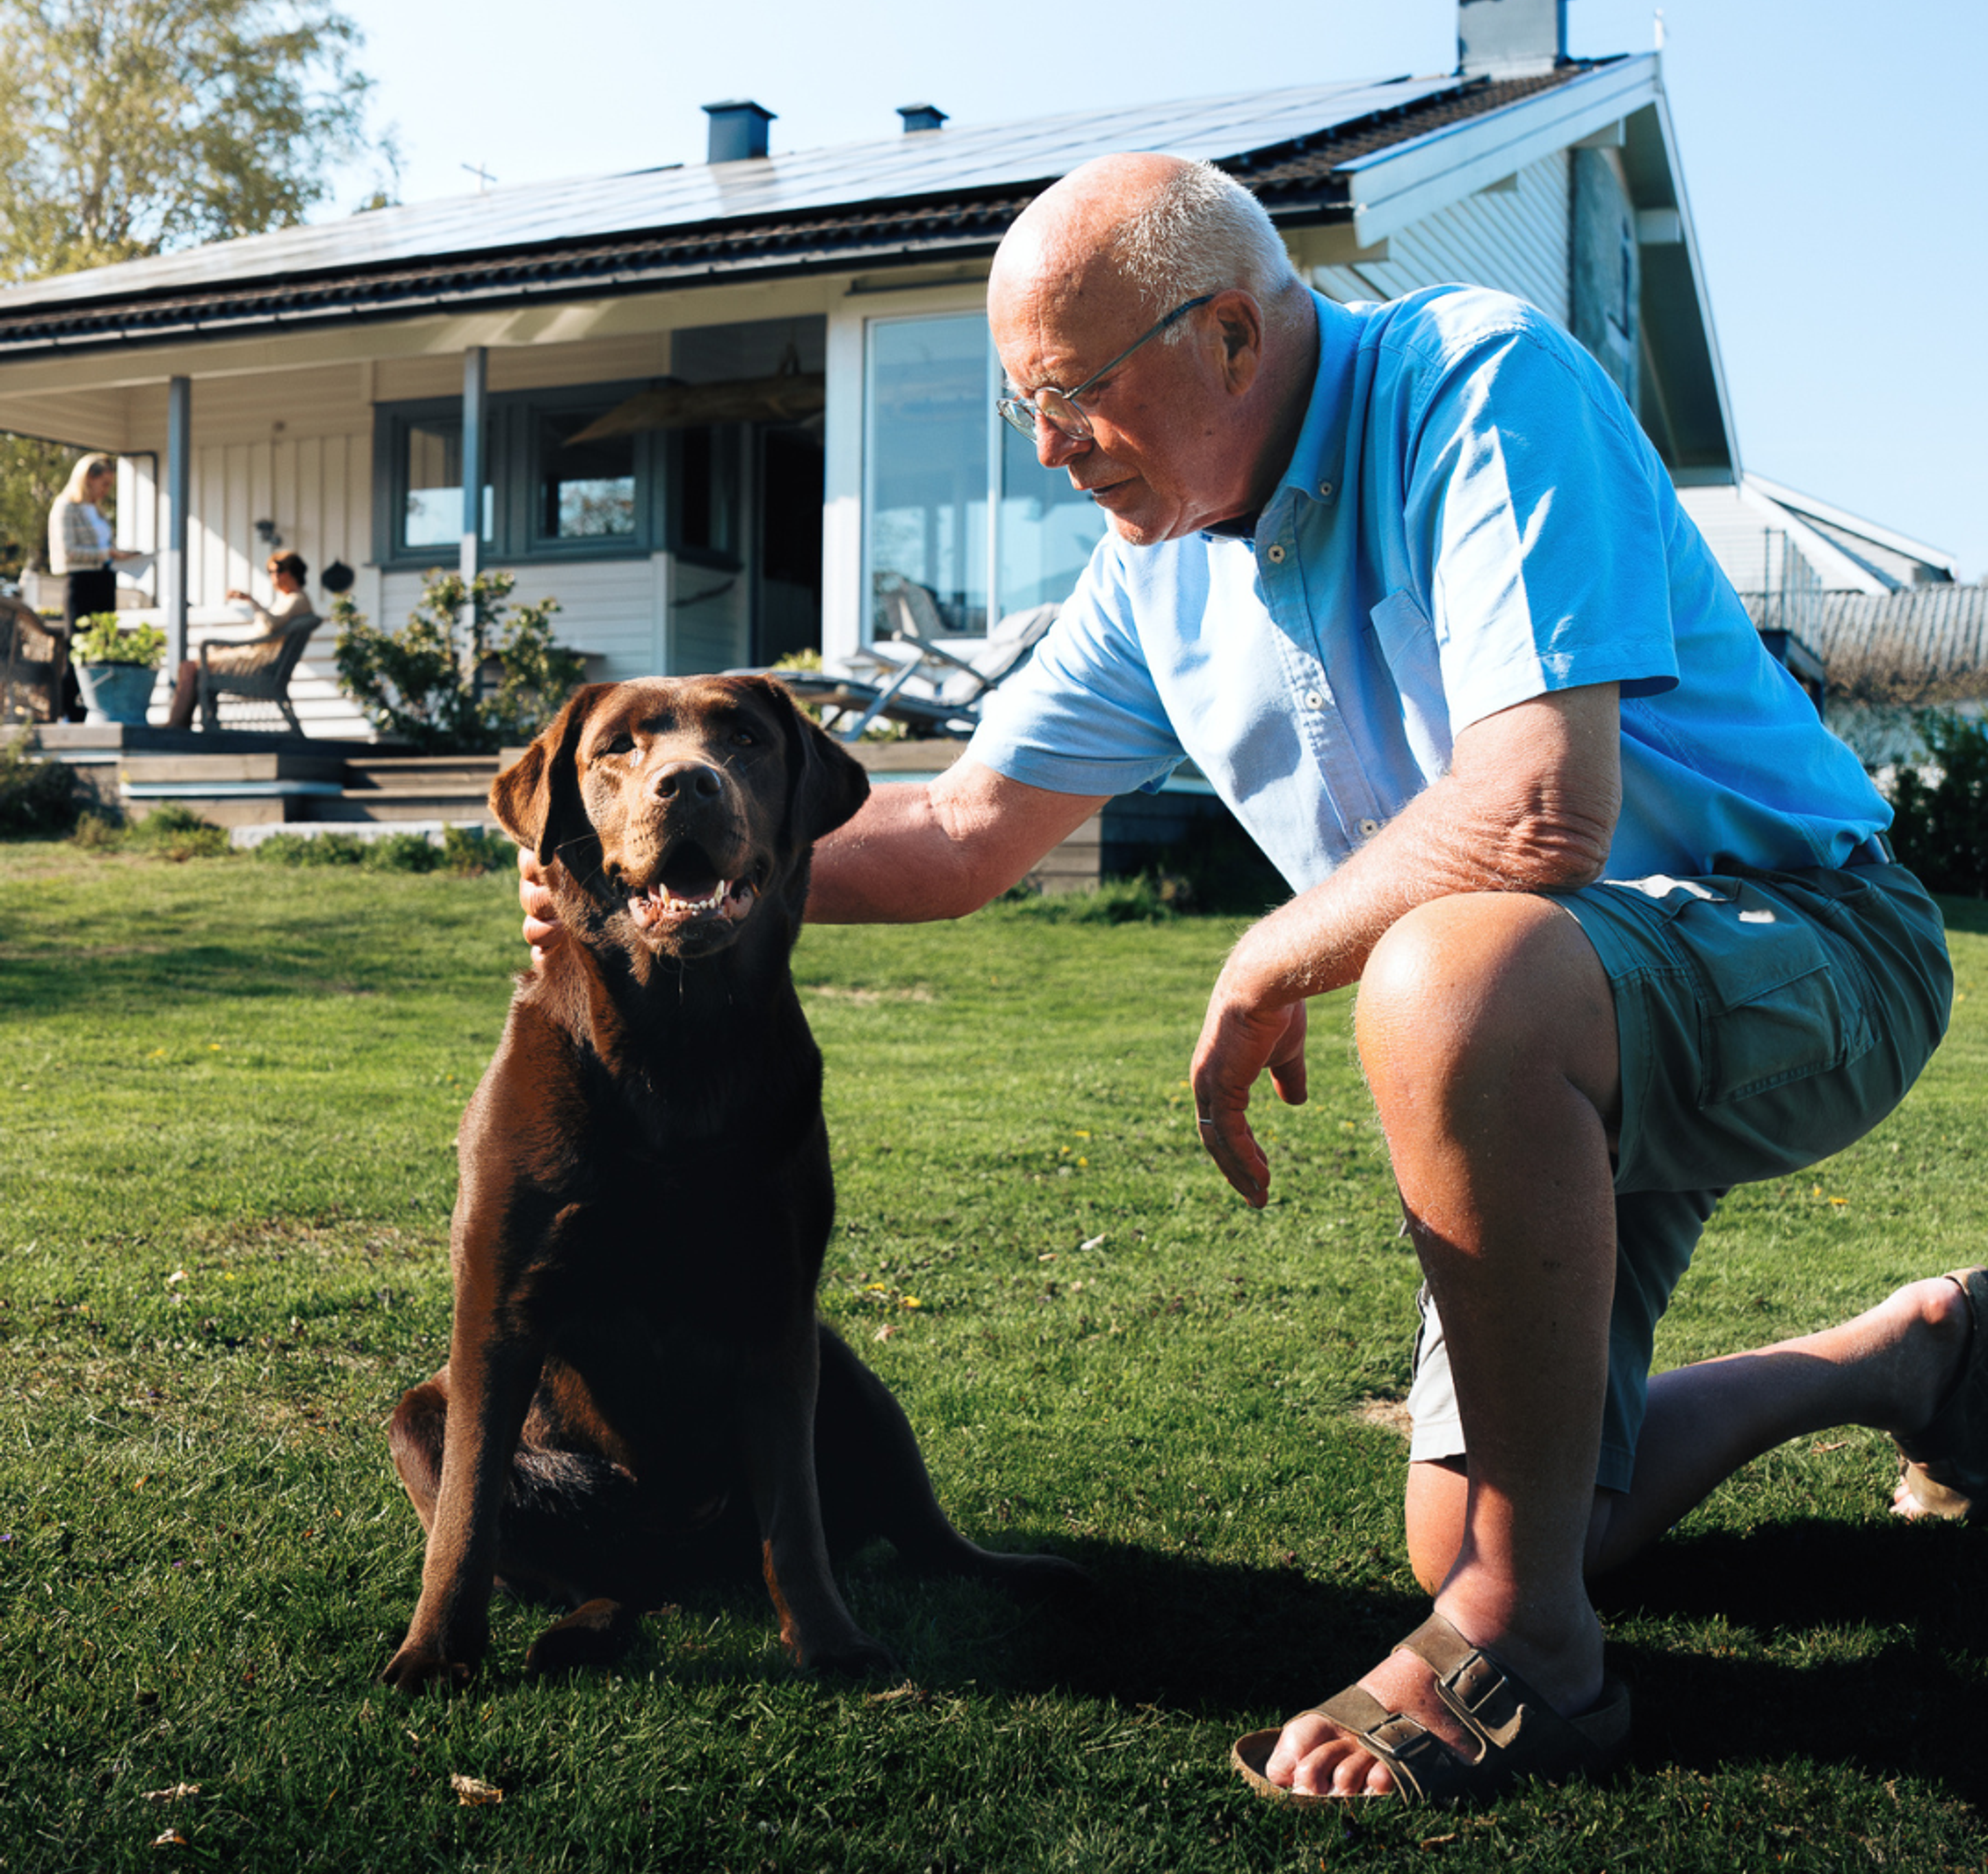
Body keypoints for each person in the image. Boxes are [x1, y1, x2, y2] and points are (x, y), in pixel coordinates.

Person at [521, 154, 1976, 1803]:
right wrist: (643, 890)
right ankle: (1909, 1356)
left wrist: (1277, 945)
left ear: (1224, 332)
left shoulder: (1478, 383)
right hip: (1535, 1007)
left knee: (1441, 971)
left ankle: (1535, 1658)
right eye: (1025, 410)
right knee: (1473, 1514)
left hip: (1799, 941)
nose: (1051, 448)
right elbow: (960, 829)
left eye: (1069, 393)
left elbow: (1536, 804)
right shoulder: (1159, 561)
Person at [164, 551, 315, 728]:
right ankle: (191, 725)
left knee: (190, 668)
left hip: (255, 664)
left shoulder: (297, 600)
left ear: (290, 572)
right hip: (252, 658)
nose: (274, 577)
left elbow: (272, 625)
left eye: (277, 572)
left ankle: (176, 726)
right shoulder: (290, 600)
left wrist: (253, 602)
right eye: (271, 572)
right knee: (193, 668)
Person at [47, 452, 139, 720]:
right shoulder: (66, 507)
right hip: (81, 584)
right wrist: (107, 554)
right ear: (88, 478)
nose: (106, 490)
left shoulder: (97, 511)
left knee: (103, 646)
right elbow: (68, 551)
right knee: (80, 647)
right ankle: (69, 712)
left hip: (103, 581)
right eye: (104, 484)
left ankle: (95, 709)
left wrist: (121, 556)